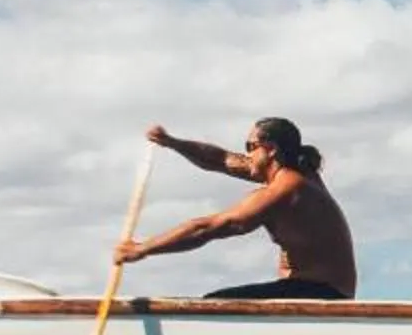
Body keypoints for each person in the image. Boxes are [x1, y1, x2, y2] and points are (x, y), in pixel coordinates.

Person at [116, 117, 358, 299]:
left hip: (321, 294)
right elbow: (221, 160)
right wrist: (172, 142)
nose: (246, 155)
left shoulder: (284, 190)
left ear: (271, 149)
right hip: (316, 290)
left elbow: (209, 228)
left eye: (250, 146)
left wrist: (142, 249)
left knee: (214, 305)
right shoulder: (296, 172)